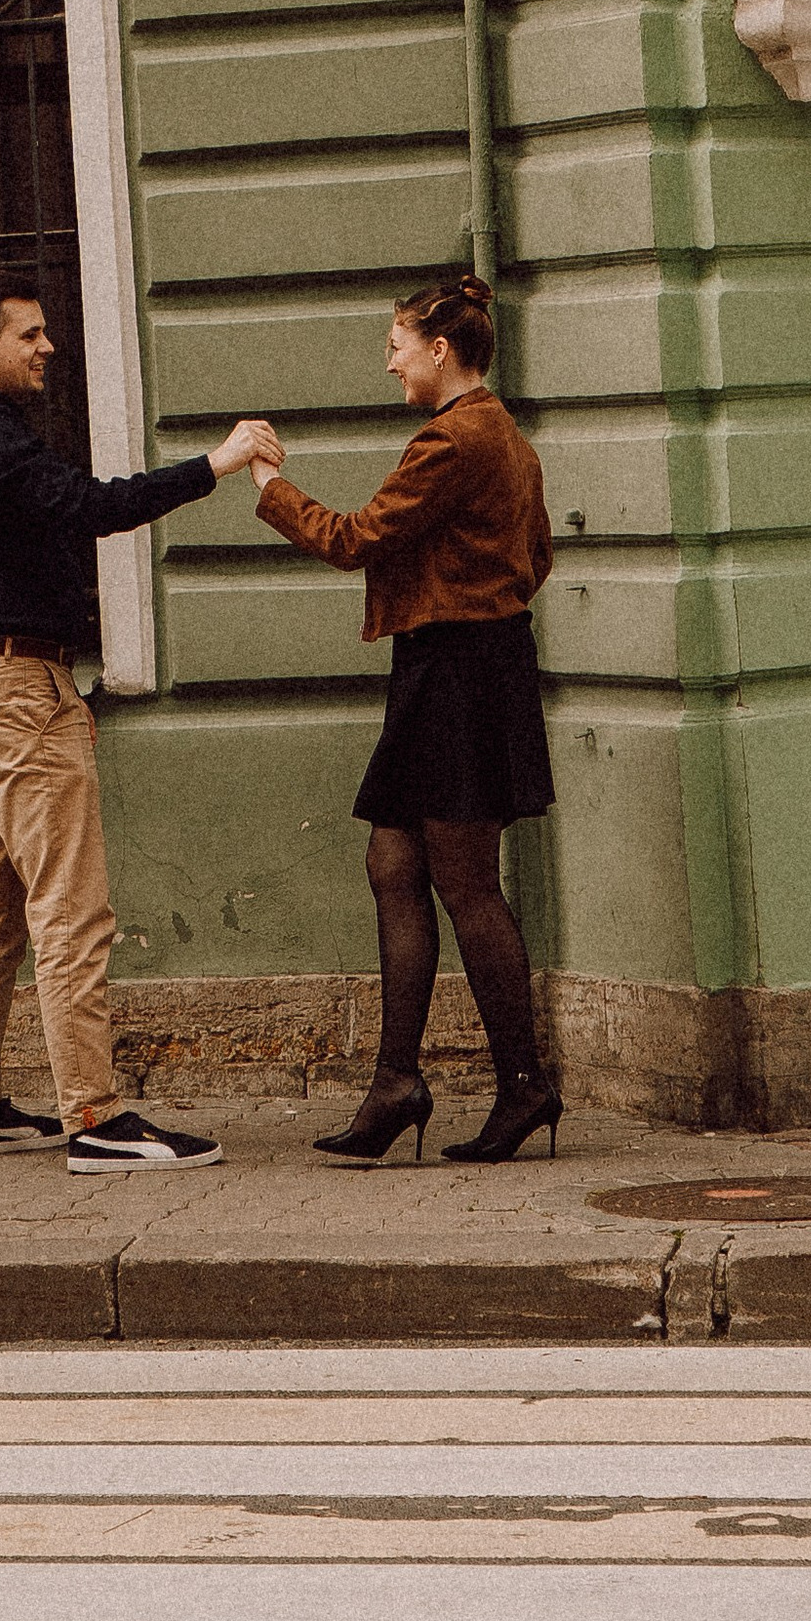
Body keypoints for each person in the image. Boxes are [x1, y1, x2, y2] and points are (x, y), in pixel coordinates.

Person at [0, 271, 272, 1175]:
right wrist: (217, 465)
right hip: (17, 691)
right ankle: (96, 1118)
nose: (47, 347)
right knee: (71, 912)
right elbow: (92, 508)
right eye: (30, 334)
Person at [244, 275, 559, 1166]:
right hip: (455, 664)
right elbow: (536, 555)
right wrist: (476, 599)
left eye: (395, 345)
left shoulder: (455, 440)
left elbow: (352, 540)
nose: (389, 362)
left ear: (438, 350)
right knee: (392, 860)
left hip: (459, 670)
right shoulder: (502, 434)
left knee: (465, 881)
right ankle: (396, 1083)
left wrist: (271, 483)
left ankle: (526, 1085)